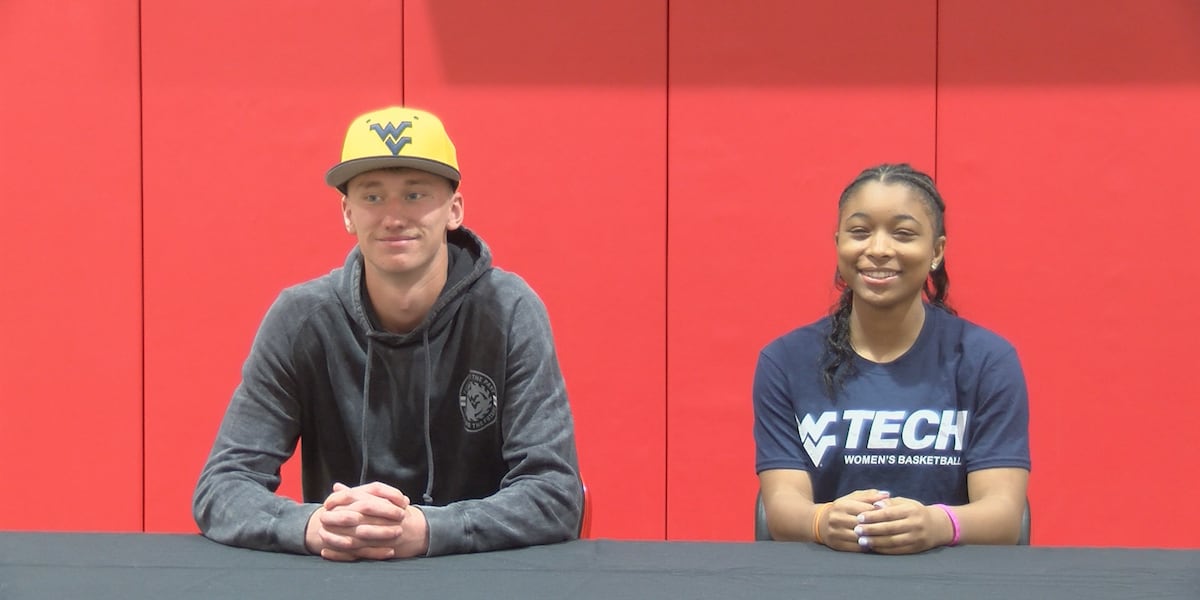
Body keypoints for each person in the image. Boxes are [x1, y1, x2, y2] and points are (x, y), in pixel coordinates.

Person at [193, 106, 583, 560]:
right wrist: (314, 526)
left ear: (454, 210)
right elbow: (222, 487)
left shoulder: (509, 310)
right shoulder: (300, 320)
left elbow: (555, 495)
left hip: (479, 574)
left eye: (415, 195)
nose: (393, 217)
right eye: (373, 197)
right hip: (340, 576)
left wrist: (428, 530)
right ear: (348, 213)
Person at [753, 163, 1029, 554]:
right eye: (860, 232)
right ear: (838, 243)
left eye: (903, 234)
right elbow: (781, 507)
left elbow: (1003, 515)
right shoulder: (784, 361)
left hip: (951, 576)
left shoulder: (987, 360)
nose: (879, 249)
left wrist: (936, 525)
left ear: (936, 251)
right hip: (823, 576)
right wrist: (822, 520)